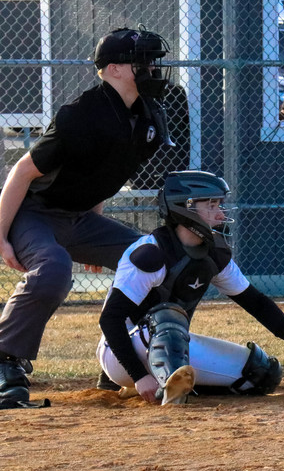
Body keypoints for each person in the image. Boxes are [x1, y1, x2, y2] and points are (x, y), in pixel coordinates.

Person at [0, 27, 172, 408]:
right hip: (35, 213)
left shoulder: (146, 116)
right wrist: (1, 237)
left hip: (79, 218)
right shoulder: (81, 115)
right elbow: (22, 173)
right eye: (140, 61)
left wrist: (94, 233)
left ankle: (123, 359)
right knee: (53, 270)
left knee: (151, 258)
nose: (151, 69)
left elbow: (101, 177)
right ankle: (6, 361)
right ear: (113, 69)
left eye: (152, 60)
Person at [96, 170, 284, 404]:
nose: (220, 213)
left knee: (261, 373)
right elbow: (110, 320)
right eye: (211, 205)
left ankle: (182, 386)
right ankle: (166, 395)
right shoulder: (151, 254)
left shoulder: (213, 254)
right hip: (120, 354)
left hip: (169, 349)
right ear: (185, 208)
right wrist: (139, 376)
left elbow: (255, 302)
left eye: (218, 204)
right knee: (167, 318)